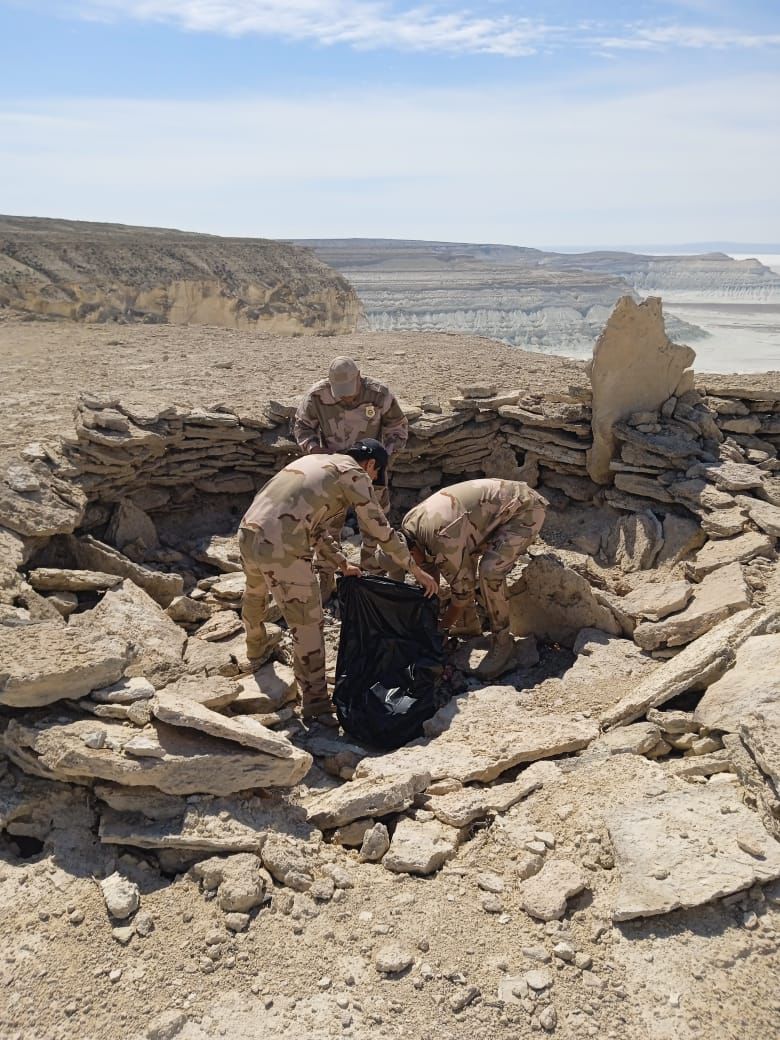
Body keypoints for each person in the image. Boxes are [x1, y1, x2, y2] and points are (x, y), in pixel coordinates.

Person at [238, 439, 438, 720]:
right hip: (282, 548)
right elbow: (377, 526)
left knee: (255, 592)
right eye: (374, 474)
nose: (372, 479)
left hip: (248, 533)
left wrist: (343, 564)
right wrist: (413, 568)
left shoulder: (316, 463)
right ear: (370, 464)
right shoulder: (352, 472)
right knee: (307, 624)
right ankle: (316, 703)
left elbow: (314, 529)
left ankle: (255, 646)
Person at [400, 478, 547, 680]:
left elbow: (463, 591)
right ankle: (468, 625)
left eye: (410, 563)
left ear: (410, 549)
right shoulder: (409, 526)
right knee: (459, 569)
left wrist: (441, 629)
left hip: (524, 510)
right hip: (490, 517)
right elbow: (427, 566)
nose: (412, 568)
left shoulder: (442, 538)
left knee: (489, 571)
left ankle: (503, 642)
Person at [293, 356, 408, 595]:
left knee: (374, 526)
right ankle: (327, 578)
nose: (345, 397)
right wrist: (316, 451)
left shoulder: (379, 394)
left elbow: (398, 428)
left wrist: (383, 458)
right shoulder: (317, 396)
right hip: (333, 471)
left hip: (370, 472)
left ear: (359, 376)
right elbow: (302, 427)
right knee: (327, 527)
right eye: (340, 392)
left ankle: (371, 578)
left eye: (349, 390)